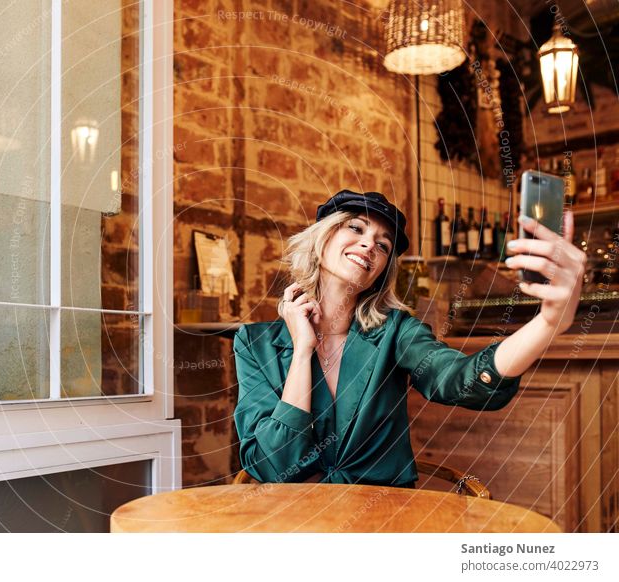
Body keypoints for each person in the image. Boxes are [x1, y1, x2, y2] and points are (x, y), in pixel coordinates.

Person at [233, 189, 586, 487]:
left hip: (384, 524)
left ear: (382, 272)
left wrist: (548, 322)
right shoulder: (253, 343)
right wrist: (302, 352)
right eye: (355, 227)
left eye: (383, 245)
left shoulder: (397, 331)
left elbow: (461, 380)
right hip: (296, 529)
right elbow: (274, 464)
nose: (369, 244)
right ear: (321, 239)